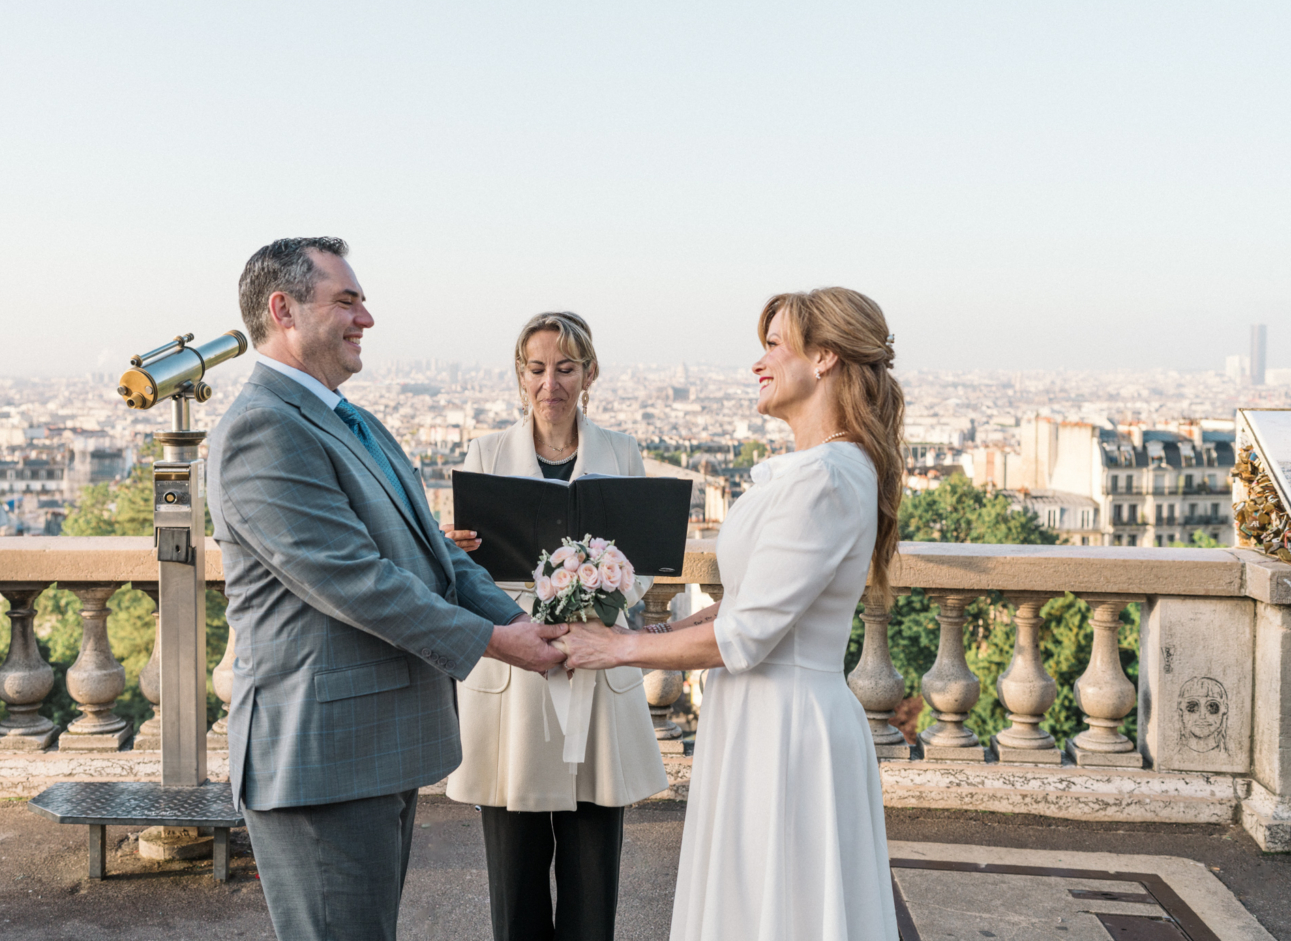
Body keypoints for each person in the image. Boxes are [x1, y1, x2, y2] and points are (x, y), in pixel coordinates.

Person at [206, 238, 568, 941]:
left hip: (367, 747)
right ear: (283, 309)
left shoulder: (352, 420)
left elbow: (435, 556)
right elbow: (354, 581)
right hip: (321, 757)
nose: (366, 318)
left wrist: (533, 625)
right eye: (347, 300)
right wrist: (499, 643)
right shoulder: (263, 428)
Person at [556, 288, 903, 941]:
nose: (759, 362)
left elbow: (745, 634)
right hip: (771, 719)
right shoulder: (822, 471)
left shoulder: (824, 478)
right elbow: (751, 602)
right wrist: (651, 631)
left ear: (825, 357)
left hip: (784, 729)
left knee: (771, 908)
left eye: (775, 344)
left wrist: (616, 649)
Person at [441, 312, 668, 941]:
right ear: (520, 376)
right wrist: (452, 548)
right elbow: (463, 570)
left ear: (589, 373)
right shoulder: (486, 452)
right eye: (538, 369)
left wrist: (600, 588)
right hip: (515, 671)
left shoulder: (622, 451)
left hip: (594, 664)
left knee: (593, 870)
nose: (551, 383)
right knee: (513, 877)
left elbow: (642, 566)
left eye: (565, 368)